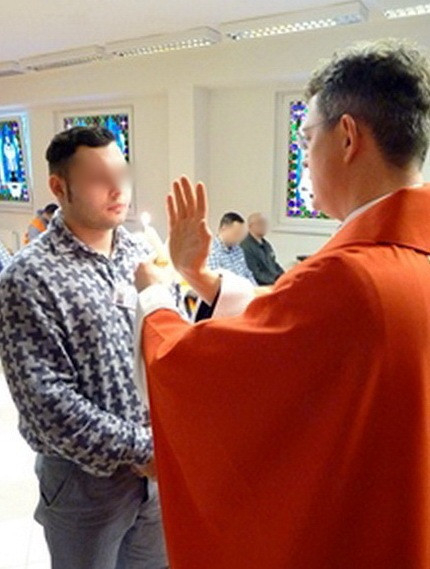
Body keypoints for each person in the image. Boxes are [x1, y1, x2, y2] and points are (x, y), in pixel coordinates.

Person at [134, 39, 430, 569]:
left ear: (347, 137)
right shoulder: (400, 258)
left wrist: (154, 297)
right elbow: (299, 319)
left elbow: (195, 372)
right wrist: (201, 278)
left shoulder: (351, 278)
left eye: (306, 138)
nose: (305, 159)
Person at [0, 126, 168, 569]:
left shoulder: (138, 255)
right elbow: (48, 406)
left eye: (122, 174)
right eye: (98, 179)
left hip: (155, 469)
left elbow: (165, 345)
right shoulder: (29, 277)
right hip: (84, 483)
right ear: (59, 187)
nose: (118, 189)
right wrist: (143, 448)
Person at [207, 211, 256, 284]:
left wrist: (256, 289)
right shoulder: (211, 251)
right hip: (229, 290)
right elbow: (215, 282)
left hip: (246, 288)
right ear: (223, 229)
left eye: (241, 234)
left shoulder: (238, 249)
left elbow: (247, 273)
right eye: (236, 233)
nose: (239, 239)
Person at [241, 212, 284, 285]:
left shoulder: (266, 245)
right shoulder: (245, 247)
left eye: (265, 223)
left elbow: (274, 264)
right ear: (250, 226)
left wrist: (284, 277)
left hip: (274, 282)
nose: (264, 226)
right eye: (261, 223)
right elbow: (254, 273)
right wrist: (275, 282)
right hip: (261, 285)